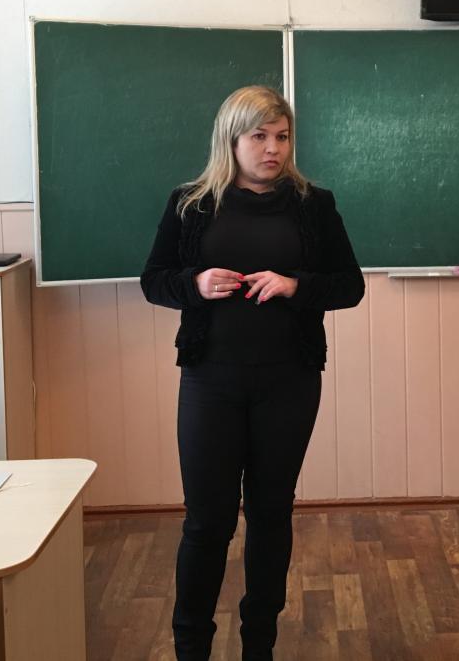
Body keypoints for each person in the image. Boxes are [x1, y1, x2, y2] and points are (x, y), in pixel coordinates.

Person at [140, 84, 365, 661]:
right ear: (231, 140)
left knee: (270, 514)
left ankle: (258, 644)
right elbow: (153, 280)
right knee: (206, 522)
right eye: (260, 137)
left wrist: (295, 286)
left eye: (282, 137)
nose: (273, 149)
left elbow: (350, 286)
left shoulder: (314, 205)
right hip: (210, 381)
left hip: (289, 382)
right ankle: (191, 646)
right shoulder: (191, 204)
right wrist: (194, 284)